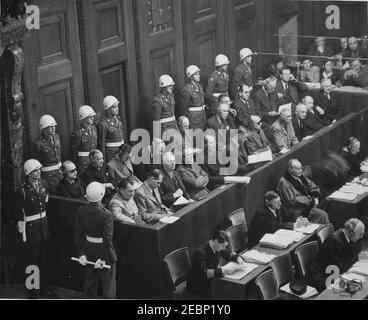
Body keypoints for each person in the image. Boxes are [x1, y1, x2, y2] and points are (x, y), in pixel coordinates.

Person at [15, 159, 58, 299]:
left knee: (44, 260)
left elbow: (45, 201)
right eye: (35, 170)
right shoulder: (22, 190)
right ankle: (33, 292)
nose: (38, 172)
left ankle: (44, 289)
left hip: (43, 227)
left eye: (39, 169)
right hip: (31, 230)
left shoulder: (43, 184)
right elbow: (18, 213)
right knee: (32, 261)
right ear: (28, 173)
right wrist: (22, 231)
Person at [74, 182, 117, 299]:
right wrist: (103, 258)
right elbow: (107, 239)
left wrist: (82, 254)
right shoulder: (107, 214)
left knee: (90, 284)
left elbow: (78, 234)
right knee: (108, 287)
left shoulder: (81, 210)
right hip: (104, 253)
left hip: (88, 250)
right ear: (102, 195)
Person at [308, 218, 365, 292]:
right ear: (351, 233)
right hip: (323, 276)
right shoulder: (334, 241)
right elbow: (336, 267)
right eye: (360, 234)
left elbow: (355, 256)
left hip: (337, 273)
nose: (361, 237)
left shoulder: (349, 238)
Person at [187, 230, 245, 299]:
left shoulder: (217, 247)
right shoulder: (200, 252)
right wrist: (223, 270)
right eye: (223, 246)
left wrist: (237, 257)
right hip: (198, 285)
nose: (224, 248)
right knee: (224, 293)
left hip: (210, 280)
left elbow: (228, 254)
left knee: (231, 290)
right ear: (215, 241)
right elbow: (204, 273)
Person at [277, 159, 330, 224]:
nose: (300, 171)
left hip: (309, 202)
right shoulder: (284, 182)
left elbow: (311, 185)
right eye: (297, 169)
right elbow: (292, 200)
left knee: (329, 203)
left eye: (301, 168)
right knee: (322, 215)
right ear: (290, 169)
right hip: (299, 209)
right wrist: (312, 201)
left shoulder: (299, 176)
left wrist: (316, 195)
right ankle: (322, 232)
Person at [32, 115, 62, 194]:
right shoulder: (38, 144)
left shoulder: (57, 137)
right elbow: (37, 164)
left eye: (54, 126)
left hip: (60, 173)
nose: (53, 128)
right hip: (49, 176)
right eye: (50, 127)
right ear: (44, 129)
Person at [70, 105, 98, 176]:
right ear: (84, 118)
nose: (92, 118)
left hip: (94, 160)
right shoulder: (78, 133)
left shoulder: (94, 128)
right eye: (90, 116)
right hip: (83, 163)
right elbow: (73, 153)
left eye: (92, 116)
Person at [97, 96, 125, 163]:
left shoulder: (118, 119)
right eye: (114, 107)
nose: (117, 109)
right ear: (108, 109)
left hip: (121, 153)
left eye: (117, 106)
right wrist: (103, 160)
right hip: (111, 155)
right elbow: (102, 145)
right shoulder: (104, 124)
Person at [180, 65, 207, 130]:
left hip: (202, 117)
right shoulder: (187, 90)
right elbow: (183, 108)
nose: (199, 75)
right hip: (193, 120)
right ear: (191, 76)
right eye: (196, 74)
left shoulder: (200, 86)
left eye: (199, 74)